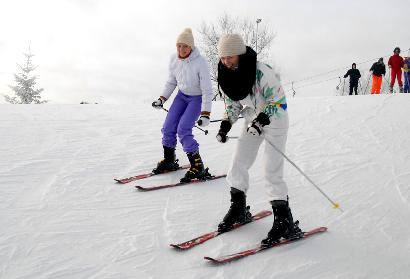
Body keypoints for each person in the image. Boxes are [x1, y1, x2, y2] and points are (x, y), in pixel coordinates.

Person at [215, 34, 302, 247]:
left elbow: (279, 101)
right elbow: (233, 104)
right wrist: (226, 124)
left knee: (271, 170)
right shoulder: (226, 75)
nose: (226, 61)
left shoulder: (262, 71)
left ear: (240, 53)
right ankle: (238, 209)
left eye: (230, 56)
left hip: (275, 121)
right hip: (252, 120)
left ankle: (284, 221)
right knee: (237, 163)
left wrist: (261, 121)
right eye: (223, 57)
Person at [151, 28, 213, 182]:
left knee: (183, 129)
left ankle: (197, 166)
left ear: (191, 47)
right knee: (168, 127)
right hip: (181, 96)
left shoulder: (201, 62)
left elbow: (207, 90)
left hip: (196, 99)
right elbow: (172, 81)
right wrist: (162, 99)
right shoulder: (174, 59)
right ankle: (169, 160)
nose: (181, 49)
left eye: (185, 46)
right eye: (179, 46)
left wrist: (205, 113)